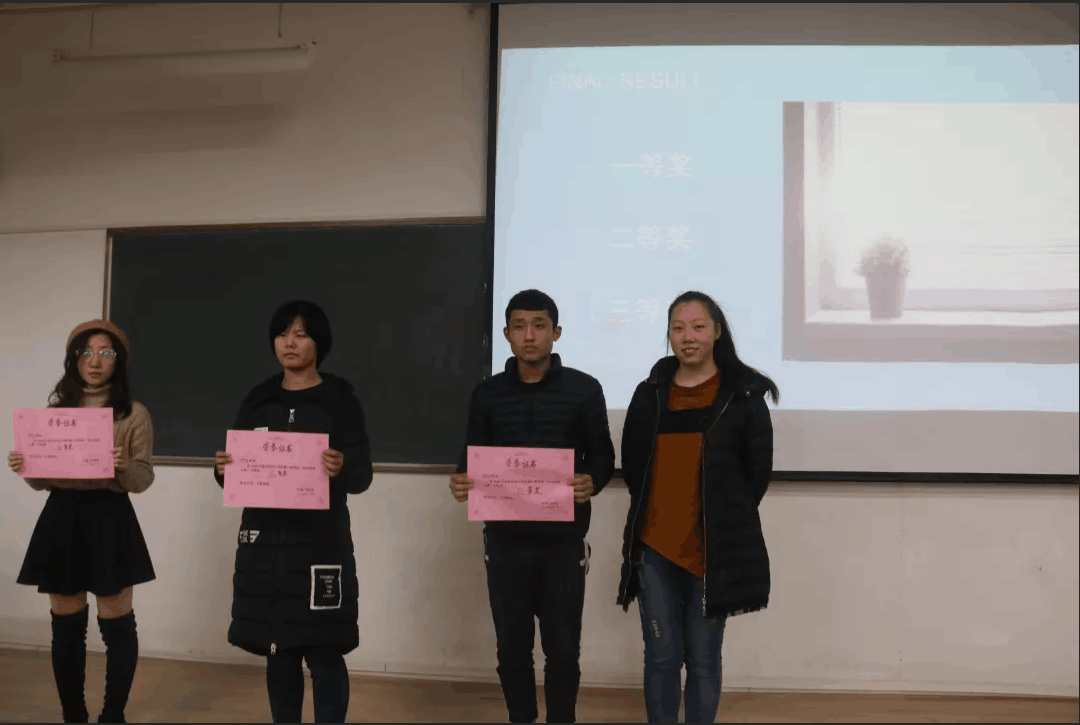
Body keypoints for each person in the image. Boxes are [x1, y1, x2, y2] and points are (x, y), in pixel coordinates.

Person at [449, 289, 616, 724]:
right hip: (504, 542)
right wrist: (461, 479)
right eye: (519, 326)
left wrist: (592, 480)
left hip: (563, 543)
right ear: (506, 334)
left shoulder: (584, 389)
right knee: (511, 649)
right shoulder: (487, 394)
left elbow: (603, 455)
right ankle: (520, 718)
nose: (529, 335)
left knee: (563, 651)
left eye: (539, 325)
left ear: (556, 333)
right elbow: (471, 456)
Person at [616, 291, 778, 724]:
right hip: (653, 548)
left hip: (712, 551)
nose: (688, 337)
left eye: (698, 327)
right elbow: (633, 468)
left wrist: (721, 518)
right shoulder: (649, 393)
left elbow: (756, 475)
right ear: (669, 335)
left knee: (704, 660)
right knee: (661, 657)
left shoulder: (743, 395)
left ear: (717, 332)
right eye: (678, 328)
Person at [212, 300, 372, 723]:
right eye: (282, 334)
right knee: (278, 651)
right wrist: (223, 468)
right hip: (266, 545)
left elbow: (362, 475)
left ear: (319, 342)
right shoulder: (258, 399)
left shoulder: (340, 400)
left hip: (322, 545)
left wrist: (341, 466)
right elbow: (235, 474)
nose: (290, 343)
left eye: (301, 334)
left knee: (325, 650)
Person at [8, 319, 156, 723]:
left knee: (117, 623)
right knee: (66, 626)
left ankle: (113, 715)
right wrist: (26, 466)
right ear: (74, 359)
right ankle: (73, 714)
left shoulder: (134, 413)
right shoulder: (55, 414)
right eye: (86, 352)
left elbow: (143, 478)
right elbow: (41, 481)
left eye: (106, 353)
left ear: (118, 362)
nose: (95, 361)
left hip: (111, 517)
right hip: (62, 516)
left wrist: (123, 467)